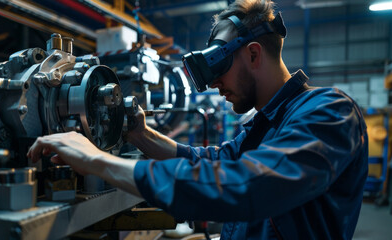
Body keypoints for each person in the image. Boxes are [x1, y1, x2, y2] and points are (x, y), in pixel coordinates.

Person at [27, 0, 368, 239]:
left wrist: (96, 161)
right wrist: (140, 135)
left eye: (218, 68)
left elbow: (246, 184)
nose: (215, 84)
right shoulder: (266, 125)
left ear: (253, 54)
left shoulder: (329, 112)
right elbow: (216, 160)